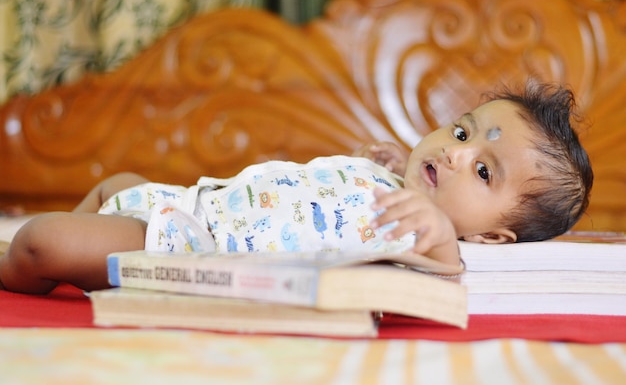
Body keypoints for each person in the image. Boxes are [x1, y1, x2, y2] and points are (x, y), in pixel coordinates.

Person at [0, 81, 593, 295]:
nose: (455, 151)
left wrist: (438, 233)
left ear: (492, 235)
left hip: (185, 249)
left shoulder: (427, 239)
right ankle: (67, 262)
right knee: (114, 183)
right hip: (187, 204)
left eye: (485, 170)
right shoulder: (395, 185)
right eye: (461, 130)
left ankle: (14, 271)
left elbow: (445, 274)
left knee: (41, 240)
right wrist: (383, 164)